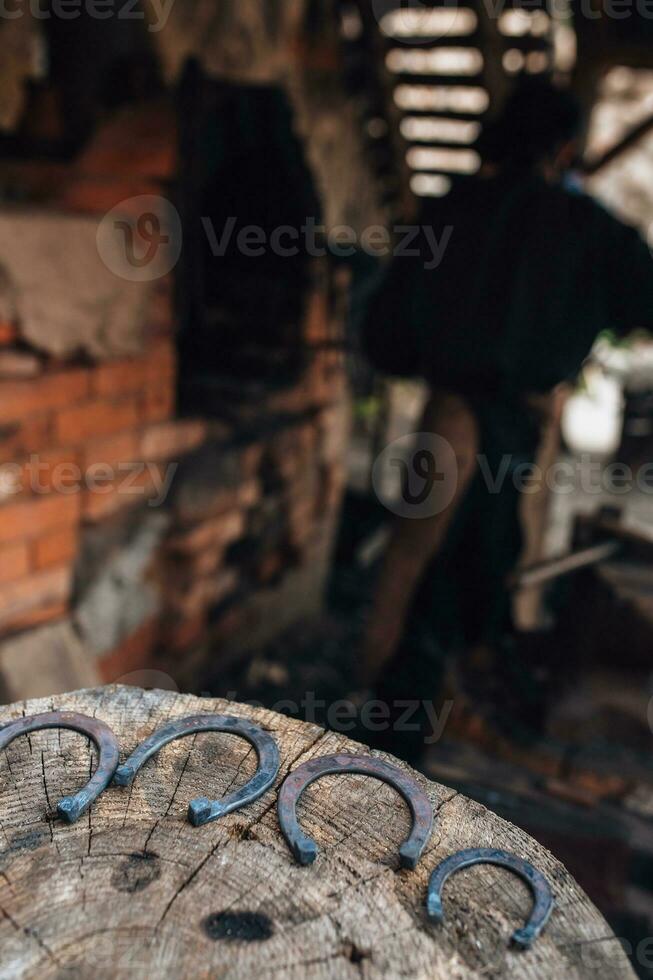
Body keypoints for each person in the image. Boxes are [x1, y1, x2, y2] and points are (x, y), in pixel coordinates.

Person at [359, 78, 653, 760]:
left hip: (447, 418)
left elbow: (385, 337)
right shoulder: (587, 228)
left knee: (407, 576)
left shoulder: (447, 212)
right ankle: (418, 749)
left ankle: (384, 731)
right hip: (509, 423)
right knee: (466, 584)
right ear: (564, 146)